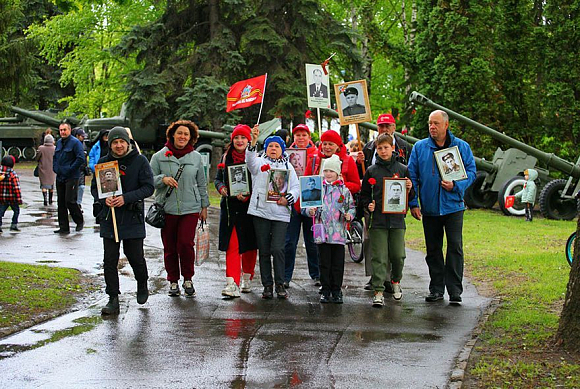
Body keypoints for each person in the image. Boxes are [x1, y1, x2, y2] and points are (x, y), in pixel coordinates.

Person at [408, 110, 476, 305]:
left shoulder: (461, 147)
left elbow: (471, 172)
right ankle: (436, 289)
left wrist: (456, 185)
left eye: (436, 123)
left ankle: (455, 291)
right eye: (430, 123)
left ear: (446, 125)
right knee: (433, 249)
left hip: (453, 206)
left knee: (455, 247)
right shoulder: (420, 148)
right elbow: (412, 176)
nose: (432, 127)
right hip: (430, 208)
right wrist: (414, 203)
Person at [91, 127, 154, 315]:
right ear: (110, 144)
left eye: (121, 142)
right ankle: (113, 297)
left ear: (128, 142)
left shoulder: (140, 161)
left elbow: (148, 187)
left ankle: (142, 282)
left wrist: (126, 198)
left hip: (131, 216)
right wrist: (105, 199)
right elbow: (96, 188)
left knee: (134, 256)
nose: (118, 145)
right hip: (110, 217)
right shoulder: (104, 163)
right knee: (109, 259)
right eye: (114, 142)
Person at [150, 120, 210, 297]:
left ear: (191, 138)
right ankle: (173, 281)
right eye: (179, 133)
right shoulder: (159, 157)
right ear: (172, 135)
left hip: (190, 208)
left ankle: (188, 278)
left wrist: (204, 206)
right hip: (166, 209)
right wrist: (163, 179)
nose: (182, 136)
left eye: (186, 134)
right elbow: (148, 180)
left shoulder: (196, 157)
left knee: (185, 244)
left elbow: (201, 183)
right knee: (169, 247)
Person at [357, 113, 412, 291]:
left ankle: (391, 279)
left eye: (388, 125)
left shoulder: (404, 146)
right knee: (371, 241)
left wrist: (410, 190)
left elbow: (409, 173)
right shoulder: (367, 147)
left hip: (395, 205)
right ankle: (376, 277)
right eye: (381, 126)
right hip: (373, 203)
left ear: (394, 127)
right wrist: (359, 163)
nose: (385, 128)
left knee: (395, 247)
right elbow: (362, 176)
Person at [246, 125, 300, 299]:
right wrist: (253, 141)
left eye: (277, 146)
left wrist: (289, 198)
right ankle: (267, 285)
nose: (273, 149)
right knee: (264, 250)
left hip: (280, 213)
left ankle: (280, 283)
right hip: (261, 212)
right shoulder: (259, 162)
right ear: (266, 148)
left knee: (278, 248)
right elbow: (250, 161)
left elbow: (296, 187)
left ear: (282, 148)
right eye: (270, 146)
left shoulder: (288, 167)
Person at [215, 124, 258, 298]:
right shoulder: (226, 158)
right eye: (236, 138)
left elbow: (260, 182)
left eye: (243, 137)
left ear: (249, 140)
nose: (240, 141)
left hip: (250, 208)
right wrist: (222, 188)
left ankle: (247, 277)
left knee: (249, 245)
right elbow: (218, 179)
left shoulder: (255, 158)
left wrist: (248, 196)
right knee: (232, 245)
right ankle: (232, 282)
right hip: (230, 209)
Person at [305, 154, 355, 304]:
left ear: (338, 173)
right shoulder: (317, 189)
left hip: (338, 234)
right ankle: (325, 290)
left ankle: (336, 290)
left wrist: (349, 216)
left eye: (331, 171)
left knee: (337, 264)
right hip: (322, 233)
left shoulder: (344, 191)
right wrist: (310, 211)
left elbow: (351, 207)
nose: (328, 174)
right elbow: (307, 207)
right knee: (324, 263)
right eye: (326, 170)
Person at [284, 124, 320, 288]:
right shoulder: (286, 155)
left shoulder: (316, 153)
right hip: (292, 203)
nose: (300, 138)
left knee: (312, 241)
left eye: (303, 135)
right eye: (297, 135)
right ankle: (285, 276)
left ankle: (316, 274)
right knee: (289, 242)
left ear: (309, 137)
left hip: (310, 200)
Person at [53, 121, 85, 234]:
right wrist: (55, 168)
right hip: (60, 175)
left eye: (64, 130)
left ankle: (79, 221)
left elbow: (81, 158)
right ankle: (63, 227)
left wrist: (71, 168)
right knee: (60, 202)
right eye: (61, 130)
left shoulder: (75, 143)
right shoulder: (59, 143)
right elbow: (56, 157)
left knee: (70, 201)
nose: (62, 132)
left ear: (69, 130)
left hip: (72, 176)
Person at [0, 156, 22, 232]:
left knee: (1, 211)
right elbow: (16, 188)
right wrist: (19, 199)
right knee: (16, 211)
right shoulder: (13, 174)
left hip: (2, 197)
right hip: (12, 198)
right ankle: (14, 224)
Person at [36, 134, 56, 206]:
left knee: (44, 185)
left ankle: (45, 200)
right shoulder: (55, 148)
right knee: (51, 185)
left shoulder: (41, 148)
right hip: (52, 169)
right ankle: (50, 200)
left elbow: (37, 157)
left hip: (43, 168)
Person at [73, 128, 89, 208]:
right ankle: (74, 203)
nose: (83, 138)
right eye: (82, 136)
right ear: (77, 136)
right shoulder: (73, 144)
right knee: (74, 187)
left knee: (81, 187)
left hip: (82, 169)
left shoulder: (84, 145)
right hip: (75, 169)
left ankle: (78, 203)